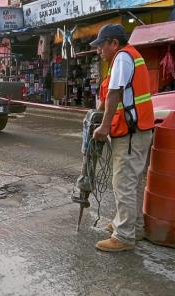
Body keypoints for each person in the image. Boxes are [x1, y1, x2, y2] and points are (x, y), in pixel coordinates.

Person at [91, 24, 154, 252]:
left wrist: (104, 127)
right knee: (134, 181)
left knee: (124, 183)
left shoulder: (122, 58)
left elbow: (114, 94)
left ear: (113, 43)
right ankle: (134, 227)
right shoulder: (132, 56)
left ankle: (124, 236)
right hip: (140, 130)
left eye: (101, 46)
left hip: (129, 132)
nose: (99, 51)